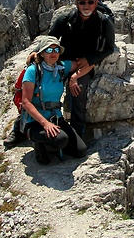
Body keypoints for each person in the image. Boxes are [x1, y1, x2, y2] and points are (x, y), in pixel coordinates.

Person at [49, 0, 115, 137]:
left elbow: (110, 48)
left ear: (96, 2)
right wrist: (36, 53)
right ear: (76, 3)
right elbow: (50, 39)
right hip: (64, 61)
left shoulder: (104, 22)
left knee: (77, 89)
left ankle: (78, 133)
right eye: (82, 2)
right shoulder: (65, 20)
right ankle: (24, 125)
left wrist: (90, 59)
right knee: (43, 84)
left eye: (90, 2)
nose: (86, 6)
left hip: (86, 65)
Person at [20, 35, 90, 164]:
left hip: (56, 117)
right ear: (41, 54)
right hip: (35, 121)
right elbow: (25, 102)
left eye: (56, 50)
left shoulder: (61, 68)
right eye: (49, 50)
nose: (53, 54)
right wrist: (45, 123)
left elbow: (88, 63)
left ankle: (56, 145)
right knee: (60, 140)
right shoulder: (33, 70)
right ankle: (40, 146)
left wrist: (74, 77)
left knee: (81, 150)